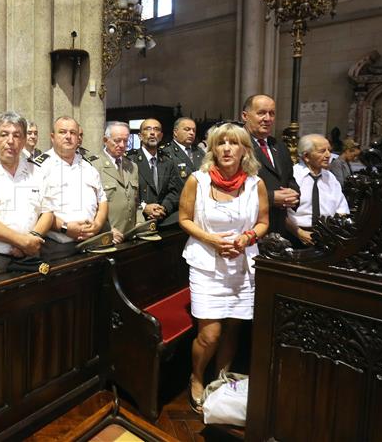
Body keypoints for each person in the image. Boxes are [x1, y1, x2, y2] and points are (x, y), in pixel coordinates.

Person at [178, 123, 269, 414]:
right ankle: (196, 377)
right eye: (220, 143)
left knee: (233, 327)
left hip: (242, 265)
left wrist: (246, 238)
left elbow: (263, 222)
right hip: (207, 265)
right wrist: (212, 239)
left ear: (244, 150)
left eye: (233, 143)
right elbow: (184, 218)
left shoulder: (256, 183)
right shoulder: (198, 180)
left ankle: (220, 380)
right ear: (213, 149)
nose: (227, 148)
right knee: (210, 334)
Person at [0, 112, 54, 275]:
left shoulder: (37, 171)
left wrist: (31, 239)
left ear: (23, 140)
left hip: (31, 256)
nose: (10, 141)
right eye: (4, 135)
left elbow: (47, 212)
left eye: (17, 135)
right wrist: (22, 241)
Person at [37, 116, 107, 260]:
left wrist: (98, 224)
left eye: (73, 133)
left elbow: (102, 199)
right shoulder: (39, 167)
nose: (68, 137)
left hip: (91, 242)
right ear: (52, 136)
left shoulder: (88, 166)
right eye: (62, 132)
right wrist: (65, 228)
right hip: (57, 245)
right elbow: (36, 209)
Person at [241, 94, 299, 236]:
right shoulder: (237, 145)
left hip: (278, 227)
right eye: (261, 113)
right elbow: (230, 190)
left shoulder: (279, 146)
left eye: (271, 113)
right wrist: (271, 198)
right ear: (245, 116)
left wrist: (293, 194)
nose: (267, 119)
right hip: (249, 228)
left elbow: (289, 179)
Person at [287, 134, 349, 246]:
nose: (328, 155)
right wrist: (299, 233)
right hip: (296, 236)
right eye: (322, 151)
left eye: (329, 150)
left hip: (328, 235)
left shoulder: (330, 177)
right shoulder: (292, 176)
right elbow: (282, 214)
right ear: (306, 156)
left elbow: (341, 208)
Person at [126, 118, 184, 225]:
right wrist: (144, 207)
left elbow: (174, 191)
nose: (152, 133)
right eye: (148, 129)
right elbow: (125, 194)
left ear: (161, 136)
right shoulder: (130, 160)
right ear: (140, 136)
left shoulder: (168, 161)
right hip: (138, 220)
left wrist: (163, 208)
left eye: (156, 129)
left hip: (163, 219)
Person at [90, 121, 139, 243]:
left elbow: (135, 201)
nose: (122, 145)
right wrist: (106, 229)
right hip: (108, 237)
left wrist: (140, 222)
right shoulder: (93, 166)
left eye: (126, 141)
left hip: (131, 235)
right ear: (105, 140)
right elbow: (91, 208)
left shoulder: (132, 166)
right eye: (117, 141)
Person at [163, 117, 205, 182]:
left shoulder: (199, 151)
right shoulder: (166, 152)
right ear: (175, 132)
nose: (191, 133)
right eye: (187, 129)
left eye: (194, 130)